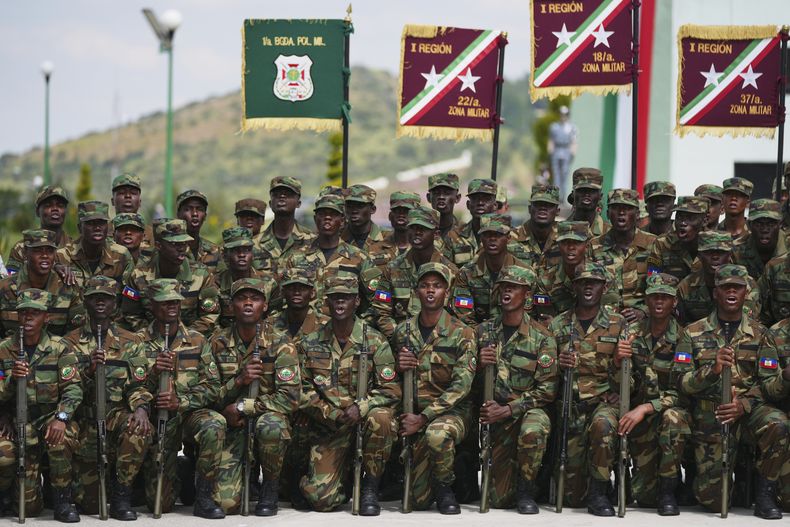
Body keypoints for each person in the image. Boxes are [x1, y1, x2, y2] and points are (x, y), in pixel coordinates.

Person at [673, 264, 788, 519]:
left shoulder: (761, 334)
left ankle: (764, 493)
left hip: (747, 413)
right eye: (726, 288)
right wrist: (711, 371)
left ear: (746, 292)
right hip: (711, 416)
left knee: (778, 423)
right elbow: (681, 382)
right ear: (716, 293)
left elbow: (769, 385)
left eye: (737, 287)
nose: (731, 292)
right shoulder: (692, 333)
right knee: (713, 502)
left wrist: (744, 404)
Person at [297, 274, 399, 515]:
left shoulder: (374, 341)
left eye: (346, 298)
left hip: (364, 421)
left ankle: (370, 488)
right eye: (334, 298)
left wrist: (362, 407)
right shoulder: (310, 343)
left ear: (356, 301)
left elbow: (391, 388)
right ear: (327, 303)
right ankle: (337, 478)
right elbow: (301, 390)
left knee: (382, 418)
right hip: (331, 426)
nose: (340, 303)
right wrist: (332, 413)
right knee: (321, 500)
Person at [131, 279, 225, 518]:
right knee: (160, 504)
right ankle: (181, 471)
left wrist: (181, 401)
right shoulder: (138, 342)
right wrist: (153, 375)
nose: (171, 307)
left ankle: (204, 496)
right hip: (158, 417)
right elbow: (130, 387)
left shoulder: (197, 340)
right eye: (164, 302)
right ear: (152, 305)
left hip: (189, 414)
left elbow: (213, 387)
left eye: (175, 301)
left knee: (214, 423)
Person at [209, 278, 300, 515]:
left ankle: (270, 488)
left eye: (255, 299)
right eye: (241, 299)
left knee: (273, 425)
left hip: (263, 421)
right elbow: (207, 394)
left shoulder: (281, 343)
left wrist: (243, 406)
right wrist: (237, 381)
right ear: (231, 306)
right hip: (231, 427)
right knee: (226, 504)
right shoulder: (216, 343)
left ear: (266, 306)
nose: (248, 304)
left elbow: (289, 398)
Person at [61, 276, 147, 519]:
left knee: (138, 428)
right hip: (84, 418)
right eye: (95, 298)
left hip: (114, 415)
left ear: (115, 304)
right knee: (90, 506)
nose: (100, 302)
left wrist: (141, 408)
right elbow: (66, 388)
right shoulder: (69, 342)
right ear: (85, 302)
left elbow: (137, 385)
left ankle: (122, 496)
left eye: (106, 298)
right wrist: (88, 371)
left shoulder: (131, 342)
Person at [475, 265, 558, 513]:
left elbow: (548, 389)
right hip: (495, 414)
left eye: (513, 287)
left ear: (527, 297)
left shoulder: (542, 337)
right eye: (503, 286)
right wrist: (479, 366)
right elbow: (465, 379)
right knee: (498, 501)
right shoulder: (483, 332)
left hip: (526, 410)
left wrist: (510, 409)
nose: (506, 291)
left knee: (534, 428)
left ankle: (527, 489)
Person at [394, 263, 475, 513]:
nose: (431, 291)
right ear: (417, 292)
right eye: (425, 286)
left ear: (446, 293)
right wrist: (398, 368)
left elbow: (462, 385)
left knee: (437, 434)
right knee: (416, 501)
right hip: (413, 413)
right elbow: (388, 379)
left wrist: (425, 417)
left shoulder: (463, 333)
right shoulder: (402, 331)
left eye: (437, 286)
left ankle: (445, 487)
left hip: (450, 413)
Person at [548, 262, 629, 515]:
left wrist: (617, 364)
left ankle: (600, 493)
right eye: (583, 282)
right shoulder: (558, 325)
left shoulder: (618, 324)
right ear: (575, 286)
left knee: (602, 426)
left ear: (604, 287)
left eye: (593, 283)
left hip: (603, 404)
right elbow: (544, 374)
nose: (588, 287)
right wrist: (559, 365)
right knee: (572, 497)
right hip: (570, 407)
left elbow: (632, 378)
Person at [0, 289, 82, 522]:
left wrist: (62, 417)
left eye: (34, 313)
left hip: (49, 418)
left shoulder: (60, 348)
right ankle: (6, 495)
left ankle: (63, 500)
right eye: (23, 313)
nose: (27, 318)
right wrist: (12, 380)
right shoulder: (5, 349)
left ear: (46, 318)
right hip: (16, 422)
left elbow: (73, 389)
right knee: (28, 506)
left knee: (61, 439)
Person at [617, 273, 690, 515]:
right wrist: (618, 363)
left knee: (673, 418)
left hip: (666, 410)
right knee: (645, 498)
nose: (659, 302)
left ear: (674, 303)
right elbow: (616, 382)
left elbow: (683, 390)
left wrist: (647, 407)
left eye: (665, 297)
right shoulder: (631, 333)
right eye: (654, 297)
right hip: (638, 415)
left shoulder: (683, 337)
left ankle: (669, 489)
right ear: (646, 301)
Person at [369, 206, 457, 339]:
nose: (417, 233)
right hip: (401, 342)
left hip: (439, 343)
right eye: (413, 228)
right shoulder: (392, 269)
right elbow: (382, 311)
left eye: (423, 229)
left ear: (436, 234)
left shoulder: (451, 272)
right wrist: (400, 338)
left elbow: (456, 316)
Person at [280, 194, 374, 315]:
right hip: (305, 330)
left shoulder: (359, 258)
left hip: (343, 330)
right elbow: (283, 299)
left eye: (333, 214)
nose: (327, 218)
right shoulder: (295, 257)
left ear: (342, 221)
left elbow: (377, 300)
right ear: (315, 219)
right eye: (322, 214)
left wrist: (360, 326)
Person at [122, 219, 219, 334]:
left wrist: (184, 337)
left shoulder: (201, 274)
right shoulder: (139, 275)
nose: (182, 248)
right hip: (151, 342)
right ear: (158, 245)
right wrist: (152, 336)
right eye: (174, 244)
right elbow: (131, 313)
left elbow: (210, 314)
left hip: (192, 340)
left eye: (184, 243)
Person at [0, 229, 84, 338]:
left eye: (49, 250)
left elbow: (77, 333)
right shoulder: (4, 288)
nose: (44, 255)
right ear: (25, 253)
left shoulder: (67, 288)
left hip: (57, 353)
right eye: (37, 250)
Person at [589, 188, 656, 323]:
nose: (621, 213)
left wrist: (644, 311)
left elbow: (663, 285)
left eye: (628, 208)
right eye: (616, 208)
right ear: (607, 213)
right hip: (604, 321)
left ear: (637, 214)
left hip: (643, 322)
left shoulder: (653, 244)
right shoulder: (594, 246)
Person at [450, 213, 528, 329]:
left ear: (508, 238)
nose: (492, 238)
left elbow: (528, 313)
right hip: (477, 335)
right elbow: (463, 316)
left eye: (498, 234)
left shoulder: (525, 273)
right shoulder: (466, 273)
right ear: (481, 238)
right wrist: (483, 336)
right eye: (487, 234)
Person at [677, 231, 760, 326]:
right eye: (709, 252)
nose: (715, 257)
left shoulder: (746, 284)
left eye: (721, 252)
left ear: (729, 255)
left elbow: (747, 321)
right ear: (699, 255)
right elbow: (680, 323)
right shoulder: (686, 286)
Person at [56, 200, 134, 290]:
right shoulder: (63, 256)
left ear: (108, 226)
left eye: (101, 223)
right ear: (79, 228)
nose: (97, 228)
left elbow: (130, 296)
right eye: (90, 223)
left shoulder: (121, 255)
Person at [252, 176, 315, 274]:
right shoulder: (253, 245)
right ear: (270, 203)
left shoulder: (313, 242)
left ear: (298, 203)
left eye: (288, 194)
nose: (282, 197)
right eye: (276, 194)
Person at [213, 227, 273, 328]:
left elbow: (274, 317)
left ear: (252, 254)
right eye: (235, 250)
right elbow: (212, 320)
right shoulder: (214, 283)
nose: (241, 255)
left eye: (247, 250)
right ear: (224, 255)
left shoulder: (269, 282)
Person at [6, 185, 72, 275]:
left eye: (60, 205)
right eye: (48, 205)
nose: (55, 209)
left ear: (66, 211)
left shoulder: (75, 249)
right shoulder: (22, 248)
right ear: (37, 211)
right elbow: (10, 283)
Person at [646, 196, 709, 282]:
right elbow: (651, 275)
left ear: (705, 221)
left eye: (690, 218)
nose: (683, 223)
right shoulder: (663, 243)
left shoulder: (716, 244)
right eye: (679, 217)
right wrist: (658, 277)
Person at [445, 179, 499, 267]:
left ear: (495, 206)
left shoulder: (505, 237)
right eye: (475, 199)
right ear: (468, 205)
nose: (480, 203)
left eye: (486, 199)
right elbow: (447, 268)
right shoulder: (454, 236)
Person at [509, 184, 561, 269]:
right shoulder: (511, 238)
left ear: (557, 211)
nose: (543, 209)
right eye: (538, 204)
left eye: (549, 205)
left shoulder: (566, 238)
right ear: (529, 209)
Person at [366, 191, 421, 271]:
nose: (401, 215)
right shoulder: (374, 249)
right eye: (397, 211)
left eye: (406, 211)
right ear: (390, 216)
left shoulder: (426, 248)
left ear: (417, 216)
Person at [733, 199, 787, 280]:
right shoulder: (736, 250)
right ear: (749, 225)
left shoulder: (788, 246)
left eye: (771, 224)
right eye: (758, 224)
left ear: (779, 225)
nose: (765, 230)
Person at [176, 190, 221, 270]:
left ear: (205, 216)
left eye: (199, 209)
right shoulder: (170, 250)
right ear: (178, 214)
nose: (195, 214)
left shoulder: (215, 251)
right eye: (188, 209)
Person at [341, 184, 388, 254]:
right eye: (350, 206)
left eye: (360, 206)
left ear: (372, 209)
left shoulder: (388, 238)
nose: (354, 210)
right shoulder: (336, 238)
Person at [426, 173, 462, 254]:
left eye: (447, 193)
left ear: (457, 198)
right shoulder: (421, 232)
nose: (441, 197)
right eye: (436, 193)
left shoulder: (464, 232)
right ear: (428, 197)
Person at [567, 168, 610, 236]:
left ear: (600, 196)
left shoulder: (610, 233)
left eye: (592, 190)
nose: (586, 194)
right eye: (582, 190)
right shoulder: (560, 230)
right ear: (573, 194)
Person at [547, 105, 577, 201]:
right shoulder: (554, 127)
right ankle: (556, 196)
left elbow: (573, 141)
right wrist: (550, 151)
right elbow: (551, 140)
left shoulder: (571, 127)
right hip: (557, 150)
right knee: (556, 174)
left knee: (564, 174)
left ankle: (563, 197)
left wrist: (572, 153)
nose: (563, 116)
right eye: (561, 114)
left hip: (566, 150)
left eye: (565, 114)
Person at [717, 177, 753, 244]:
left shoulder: (755, 234)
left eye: (739, 195)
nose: (733, 198)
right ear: (722, 200)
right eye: (729, 194)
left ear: (748, 202)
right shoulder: (713, 233)